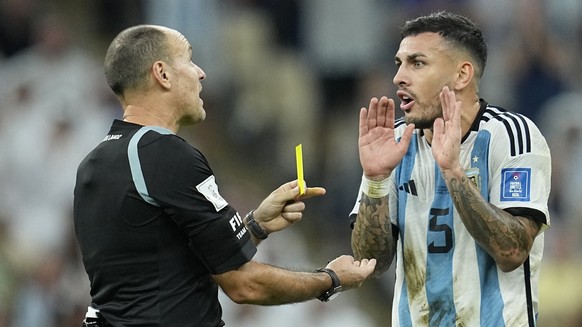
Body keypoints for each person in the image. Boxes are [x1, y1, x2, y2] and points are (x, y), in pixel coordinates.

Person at [73, 24, 376, 327]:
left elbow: (168, 272)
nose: (201, 72)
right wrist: (331, 279)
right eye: (189, 60)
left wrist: (255, 226)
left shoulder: (93, 163)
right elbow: (244, 285)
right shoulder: (165, 154)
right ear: (162, 74)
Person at [349, 11, 551, 327]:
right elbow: (371, 263)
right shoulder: (397, 141)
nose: (399, 77)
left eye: (417, 63)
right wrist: (375, 180)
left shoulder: (511, 136)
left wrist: (454, 172)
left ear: (461, 75)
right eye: (399, 63)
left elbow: (513, 252)